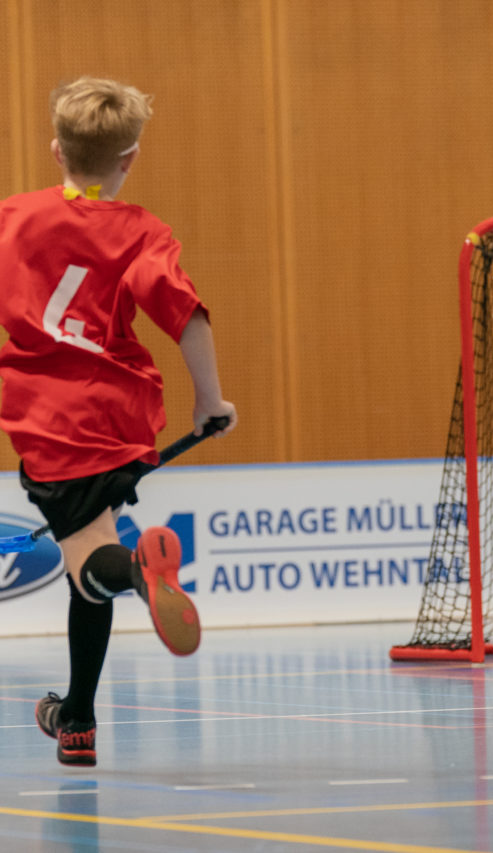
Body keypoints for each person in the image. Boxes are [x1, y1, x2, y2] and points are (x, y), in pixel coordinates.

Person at [0, 77, 238, 764]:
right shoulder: (142, 232)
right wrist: (210, 402)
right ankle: (76, 720)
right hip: (121, 415)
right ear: (129, 158)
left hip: (49, 419)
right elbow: (186, 314)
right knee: (89, 559)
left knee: (91, 561)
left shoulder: (15, 217)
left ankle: (137, 572)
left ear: (56, 150)